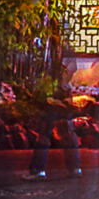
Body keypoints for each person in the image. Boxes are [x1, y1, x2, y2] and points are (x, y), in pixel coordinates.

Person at [26, 21, 80, 180]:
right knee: (66, 131)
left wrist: (53, 88)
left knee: (46, 131)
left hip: (54, 95)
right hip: (59, 94)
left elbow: (65, 71)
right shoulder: (57, 50)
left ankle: (38, 169)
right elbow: (70, 70)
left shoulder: (52, 50)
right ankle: (74, 168)